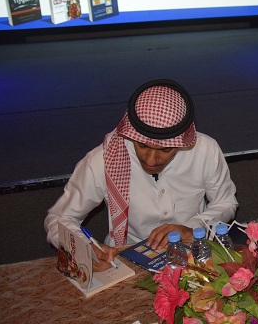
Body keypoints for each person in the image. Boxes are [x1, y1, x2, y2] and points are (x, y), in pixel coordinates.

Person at [45, 79, 238, 271]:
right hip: (125, 259)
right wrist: (85, 249)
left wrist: (192, 228)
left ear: (181, 142)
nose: (151, 161)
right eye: (142, 145)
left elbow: (225, 202)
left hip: (193, 255)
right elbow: (58, 218)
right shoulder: (104, 159)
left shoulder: (205, 150)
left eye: (165, 150)